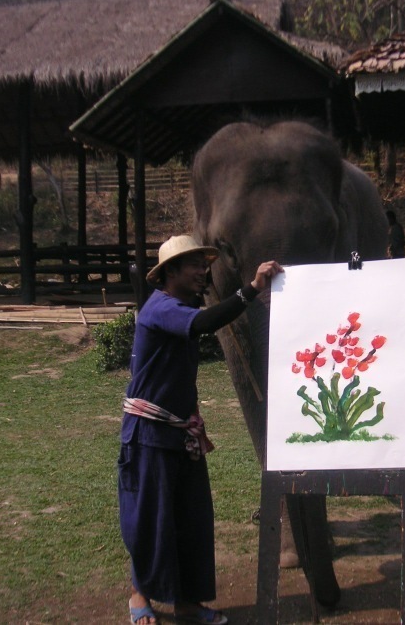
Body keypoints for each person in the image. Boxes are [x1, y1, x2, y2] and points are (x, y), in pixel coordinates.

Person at [119, 234, 283, 625]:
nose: (201, 271)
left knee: (191, 518)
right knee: (151, 519)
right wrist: (252, 289)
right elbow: (208, 323)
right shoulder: (161, 309)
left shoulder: (182, 307)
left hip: (181, 433)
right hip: (148, 436)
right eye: (193, 265)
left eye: (202, 263)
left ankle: (186, 603)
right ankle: (138, 595)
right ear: (169, 273)